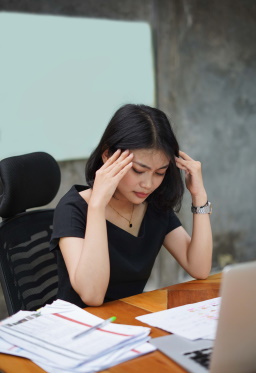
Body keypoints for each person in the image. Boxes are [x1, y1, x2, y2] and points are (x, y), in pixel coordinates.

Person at [50, 104, 212, 307]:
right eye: (138, 170)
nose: (148, 184)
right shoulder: (73, 209)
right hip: (79, 328)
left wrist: (199, 195)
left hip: (130, 322)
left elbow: (199, 267)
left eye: (160, 173)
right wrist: (97, 205)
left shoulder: (154, 204)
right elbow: (92, 296)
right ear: (108, 156)